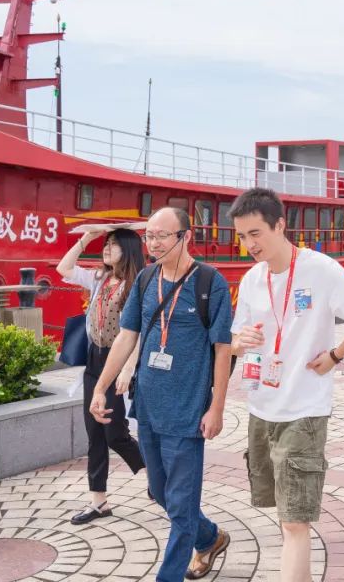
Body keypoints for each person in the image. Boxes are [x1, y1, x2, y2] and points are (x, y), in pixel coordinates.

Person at [229, 188, 344, 582]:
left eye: (255, 233)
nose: (249, 245)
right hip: (261, 408)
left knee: (296, 521)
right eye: (242, 236)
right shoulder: (251, 279)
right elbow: (234, 339)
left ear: (280, 225)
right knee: (285, 519)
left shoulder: (320, 269)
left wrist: (336, 354)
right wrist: (240, 340)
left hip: (304, 410)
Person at [89, 207, 234, 582]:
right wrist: (101, 387)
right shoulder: (146, 279)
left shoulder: (210, 282)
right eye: (149, 236)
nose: (152, 243)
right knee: (159, 490)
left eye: (161, 236)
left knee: (181, 506)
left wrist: (217, 408)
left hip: (188, 412)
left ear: (185, 237)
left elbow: (222, 349)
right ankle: (209, 537)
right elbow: (127, 336)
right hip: (148, 408)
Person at [57, 228, 147, 524]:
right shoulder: (101, 278)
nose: (107, 249)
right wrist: (86, 239)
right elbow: (64, 269)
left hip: (117, 360)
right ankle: (99, 502)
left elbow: (136, 333)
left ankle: (154, 475)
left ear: (129, 249)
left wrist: (127, 369)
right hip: (94, 360)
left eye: (114, 245)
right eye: (105, 244)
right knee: (94, 433)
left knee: (115, 434)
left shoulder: (137, 285)